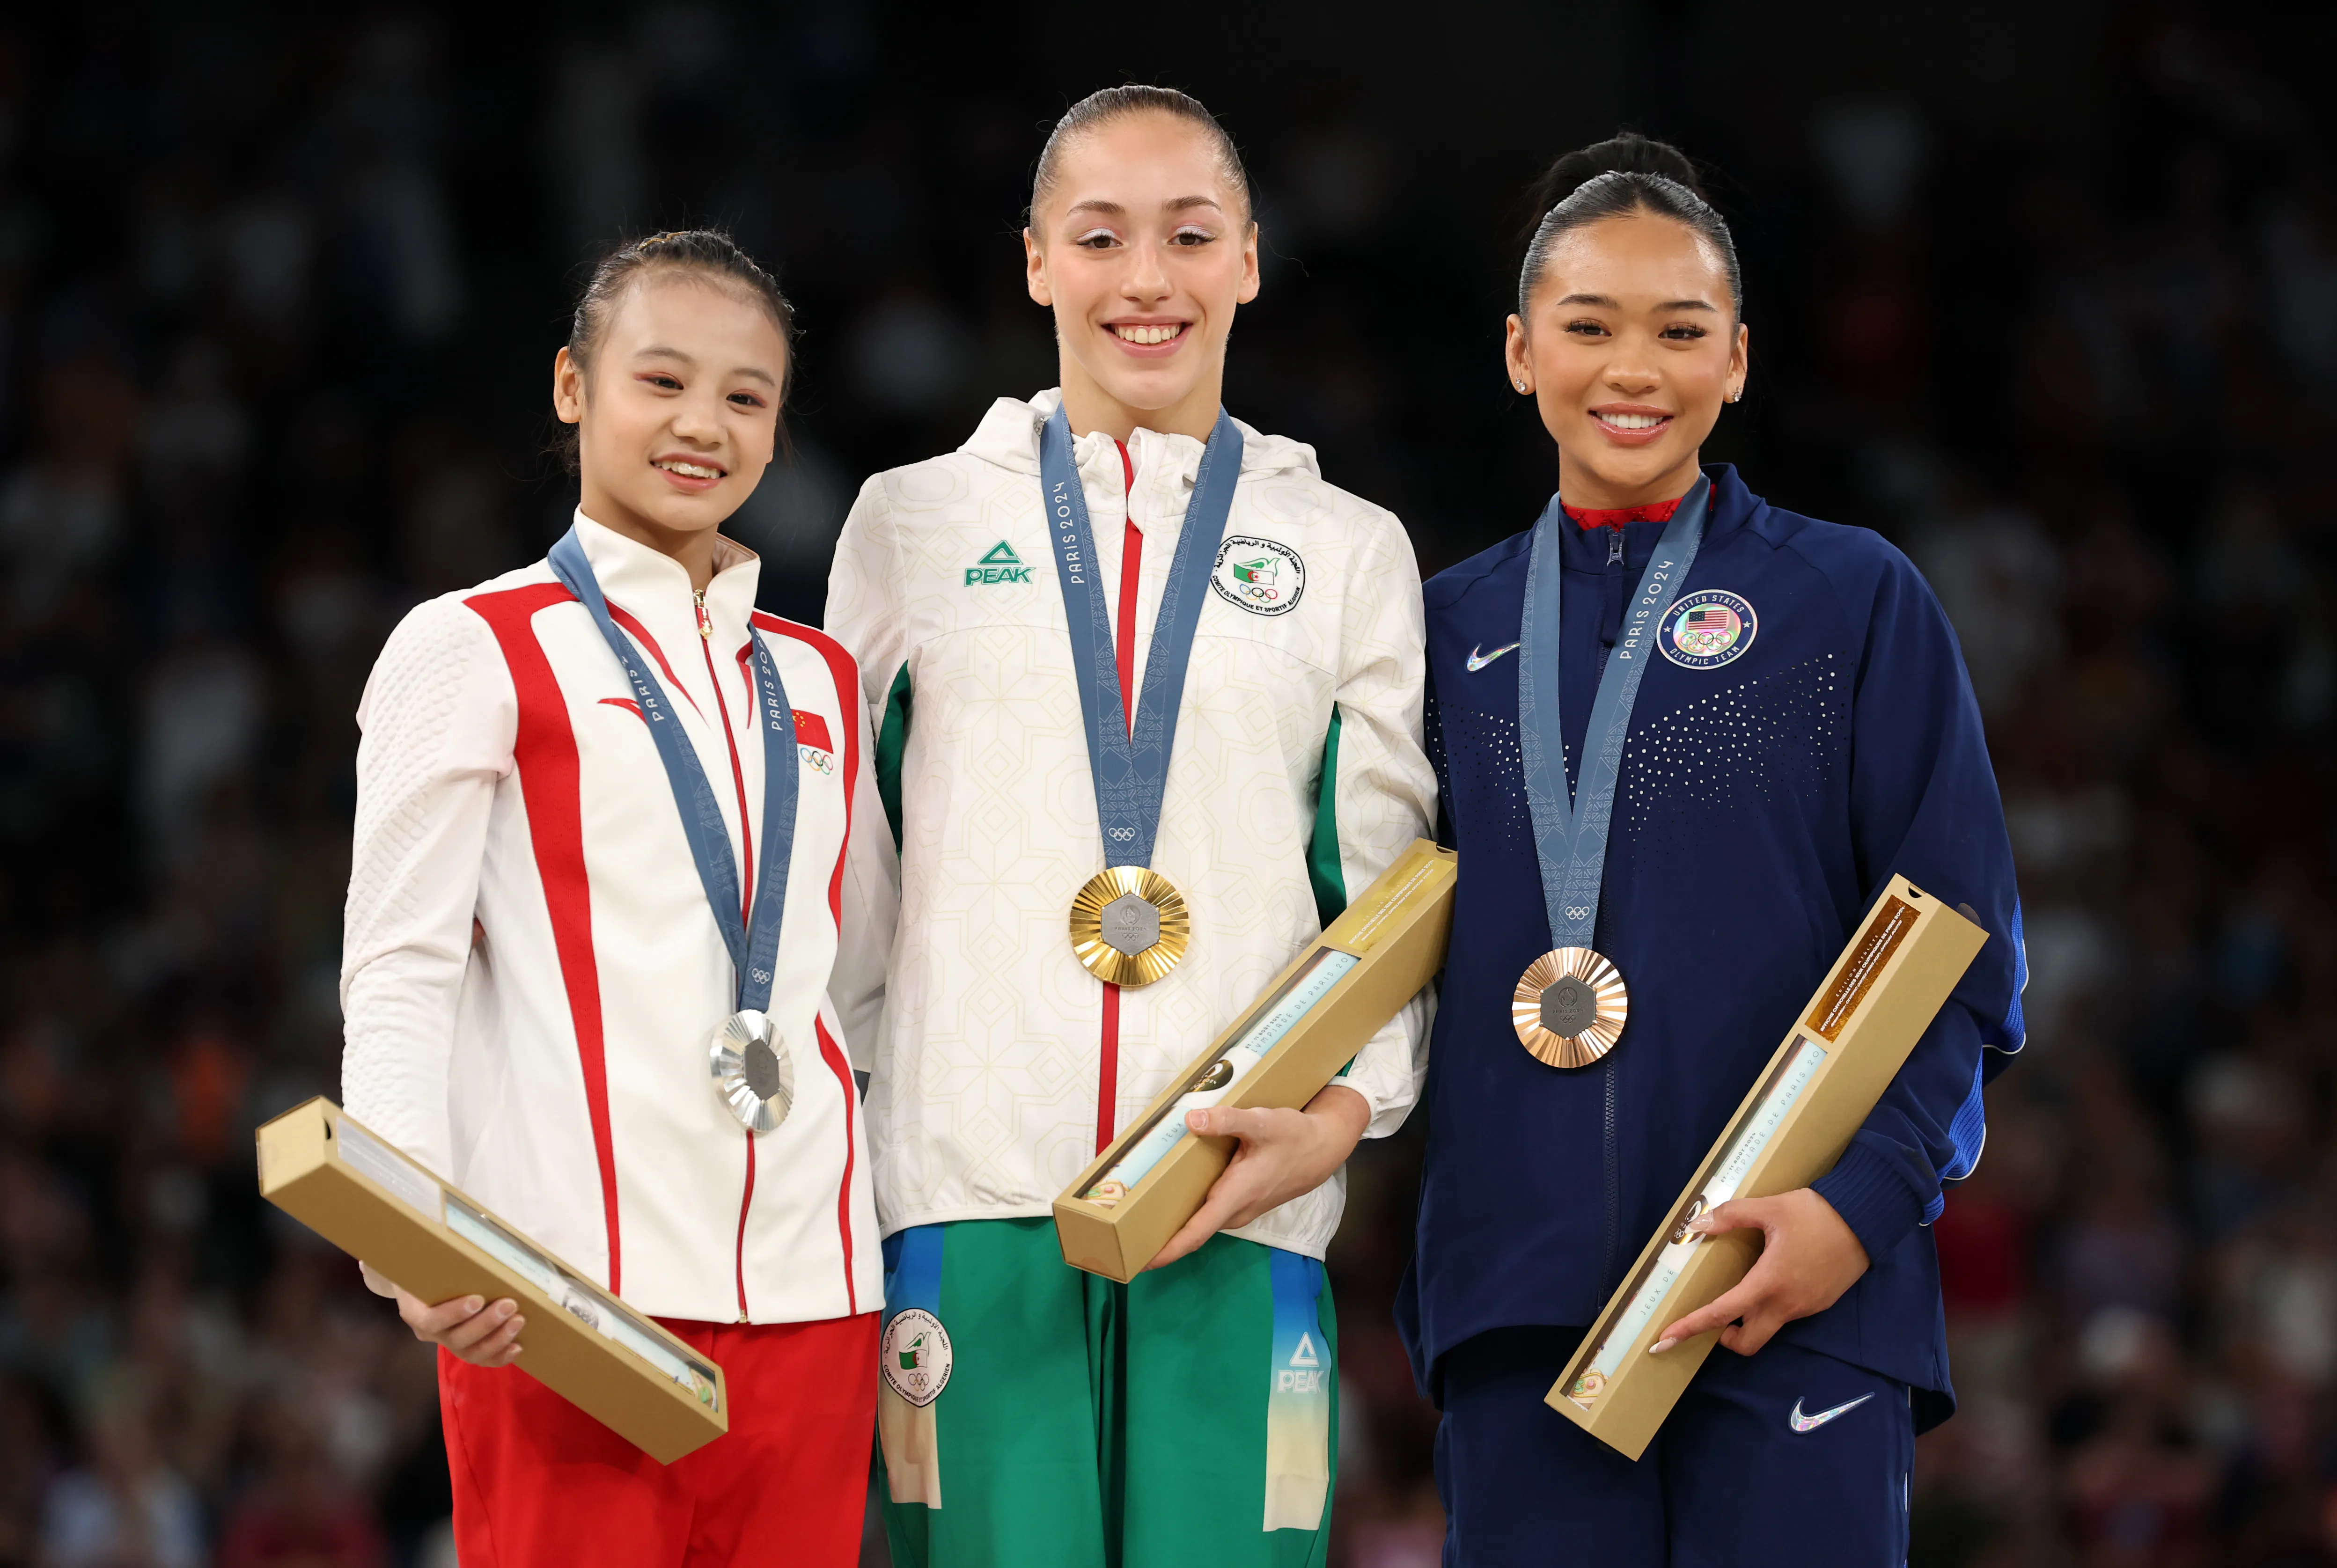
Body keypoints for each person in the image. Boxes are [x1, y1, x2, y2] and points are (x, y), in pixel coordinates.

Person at [826, 86, 1436, 1568]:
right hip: (969, 1208)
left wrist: (1346, 1116)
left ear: (1248, 259)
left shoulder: (1347, 549)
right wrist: (857, 1160)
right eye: (1100, 237)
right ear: (1037, 259)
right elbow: (852, 878)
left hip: (1236, 1195)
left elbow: (1385, 883)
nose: (1145, 279)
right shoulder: (906, 525)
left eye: (1187, 234)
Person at [1399, 135, 2025, 1565]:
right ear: (1517, 351)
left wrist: (1858, 1210)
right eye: (1589, 326)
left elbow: (1959, 950)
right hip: (1521, 1307)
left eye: (1681, 332)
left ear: (1737, 360)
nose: (1636, 369)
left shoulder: (1851, 598)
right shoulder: (1434, 631)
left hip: (1800, 1281)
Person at [340, 230, 894, 1568]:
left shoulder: (820, 680)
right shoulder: (470, 644)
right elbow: (398, 971)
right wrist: (415, 1245)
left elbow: (858, 988)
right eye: (662, 380)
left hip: (818, 1301)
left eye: (747, 396)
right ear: (573, 387)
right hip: (568, 1307)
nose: (704, 423)